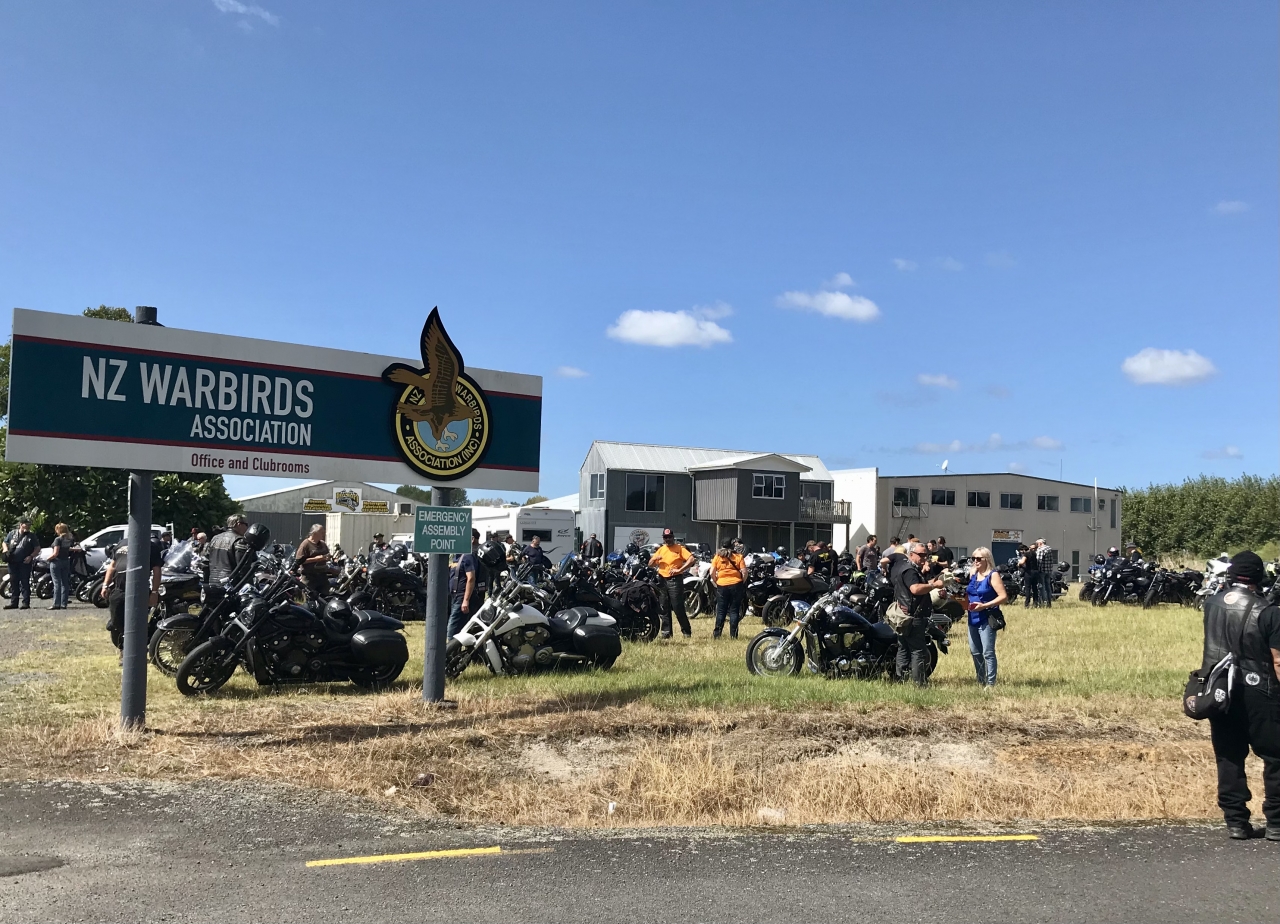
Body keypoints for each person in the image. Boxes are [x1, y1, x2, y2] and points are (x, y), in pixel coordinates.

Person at [1200, 551, 1280, 841]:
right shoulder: (1269, 610)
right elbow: (1278, 660)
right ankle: (1276, 822)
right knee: (1274, 757)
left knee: (1229, 756)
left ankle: (1235, 821)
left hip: (1220, 688)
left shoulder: (1211, 604)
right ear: (1259, 577)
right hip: (1260, 690)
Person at [888, 542, 944, 686]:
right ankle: (919, 684)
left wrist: (934, 582)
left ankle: (900, 680)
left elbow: (919, 584)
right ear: (911, 554)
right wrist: (933, 586)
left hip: (905, 615)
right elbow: (915, 588)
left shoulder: (908, 568)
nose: (924, 557)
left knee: (904, 649)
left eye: (926, 554)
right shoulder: (910, 570)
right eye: (921, 555)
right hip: (913, 617)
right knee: (918, 651)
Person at [100, 530, 162, 655]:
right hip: (119, 589)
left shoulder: (150, 546)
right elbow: (112, 565)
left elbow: (157, 570)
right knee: (116, 620)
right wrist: (105, 585)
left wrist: (154, 592)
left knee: (137, 621)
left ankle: (131, 650)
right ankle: (123, 643)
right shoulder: (121, 543)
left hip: (139, 590)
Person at [965, 547, 1008, 687]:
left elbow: (1003, 597)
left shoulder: (993, 575)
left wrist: (985, 605)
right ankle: (980, 680)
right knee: (975, 651)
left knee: (988, 652)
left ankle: (991, 683)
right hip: (972, 617)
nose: (975, 562)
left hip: (987, 617)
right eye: (973, 559)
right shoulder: (973, 573)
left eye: (978, 559)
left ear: (987, 559)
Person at [650, 528, 696, 639]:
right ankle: (666, 632)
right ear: (663, 538)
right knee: (663, 607)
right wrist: (655, 558)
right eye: (665, 537)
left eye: (670, 537)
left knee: (677, 607)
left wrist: (680, 570)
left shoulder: (679, 548)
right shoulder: (661, 549)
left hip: (675, 580)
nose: (668, 539)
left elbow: (691, 559)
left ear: (673, 537)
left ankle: (686, 632)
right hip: (662, 580)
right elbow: (650, 564)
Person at [448, 529, 487, 637]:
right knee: (460, 625)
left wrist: (465, 600)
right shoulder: (457, 556)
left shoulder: (469, 555)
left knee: (453, 627)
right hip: (455, 595)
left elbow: (471, 578)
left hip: (462, 596)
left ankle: (450, 651)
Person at [205, 514, 250, 604]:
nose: (247, 528)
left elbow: (206, 560)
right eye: (246, 524)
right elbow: (243, 568)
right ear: (239, 524)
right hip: (230, 586)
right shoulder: (239, 540)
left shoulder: (215, 538)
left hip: (213, 583)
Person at [710, 537, 746, 639]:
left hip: (722, 585)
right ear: (732, 545)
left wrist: (717, 581)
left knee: (721, 610)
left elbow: (711, 572)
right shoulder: (739, 556)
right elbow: (744, 572)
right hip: (736, 584)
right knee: (734, 610)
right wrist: (741, 581)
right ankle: (733, 636)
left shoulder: (717, 557)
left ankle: (717, 635)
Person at [3, 518, 40, 610]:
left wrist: (31, 556)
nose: (27, 527)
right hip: (12, 562)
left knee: (24, 582)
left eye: (29, 525)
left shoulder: (32, 536)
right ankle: (14, 602)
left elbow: (37, 548)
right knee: (13, 581)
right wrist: (6, 550)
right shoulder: (12, 533)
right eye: (26, 525)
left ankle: (25, 602)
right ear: (21, 524)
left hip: (25, 562)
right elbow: (4, 542)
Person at [294, 523, 333, 596]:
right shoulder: (306, 544)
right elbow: (299, 561)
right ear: (315, 533)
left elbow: (327, 554)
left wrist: (327, 558)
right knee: (308, 597)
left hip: (322, 577)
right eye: (321, 532)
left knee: (325, 597)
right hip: (310, 578)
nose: (323, 534)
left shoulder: (323, 544)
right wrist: (315, 559)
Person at [48, 523, 76, 610]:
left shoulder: (58, 539)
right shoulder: (69, 539)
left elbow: (56, 553)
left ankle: (56, 603)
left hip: (57, 562)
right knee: (65, 583)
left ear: (58, 530)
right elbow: (68, 549)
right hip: (66, 561)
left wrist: (48, 559)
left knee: (57, 583)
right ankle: (64, 603)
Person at [1036, 538, 1057, 608]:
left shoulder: (1041, 549)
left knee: (1041, 587)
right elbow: (1051, 561)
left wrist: (1037, 570)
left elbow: (1039, 561)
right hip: (1048, 571)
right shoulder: (1049, 549)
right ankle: (1049, 602)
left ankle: (1043, 602)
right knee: (1048, 587)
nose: (1037, 545)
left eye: (1037, 543)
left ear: (1040, 543)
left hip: (1042, 571)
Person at [1018, 542, 1040, 607]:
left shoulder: (1027, 554)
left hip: (1029, 572)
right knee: (1035, 588)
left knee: (1028, 588)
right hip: (1036, 572)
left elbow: (1022, 562)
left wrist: (1019, 563)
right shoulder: (1036, 554)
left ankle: (1027, 604)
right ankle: (1035, 603)